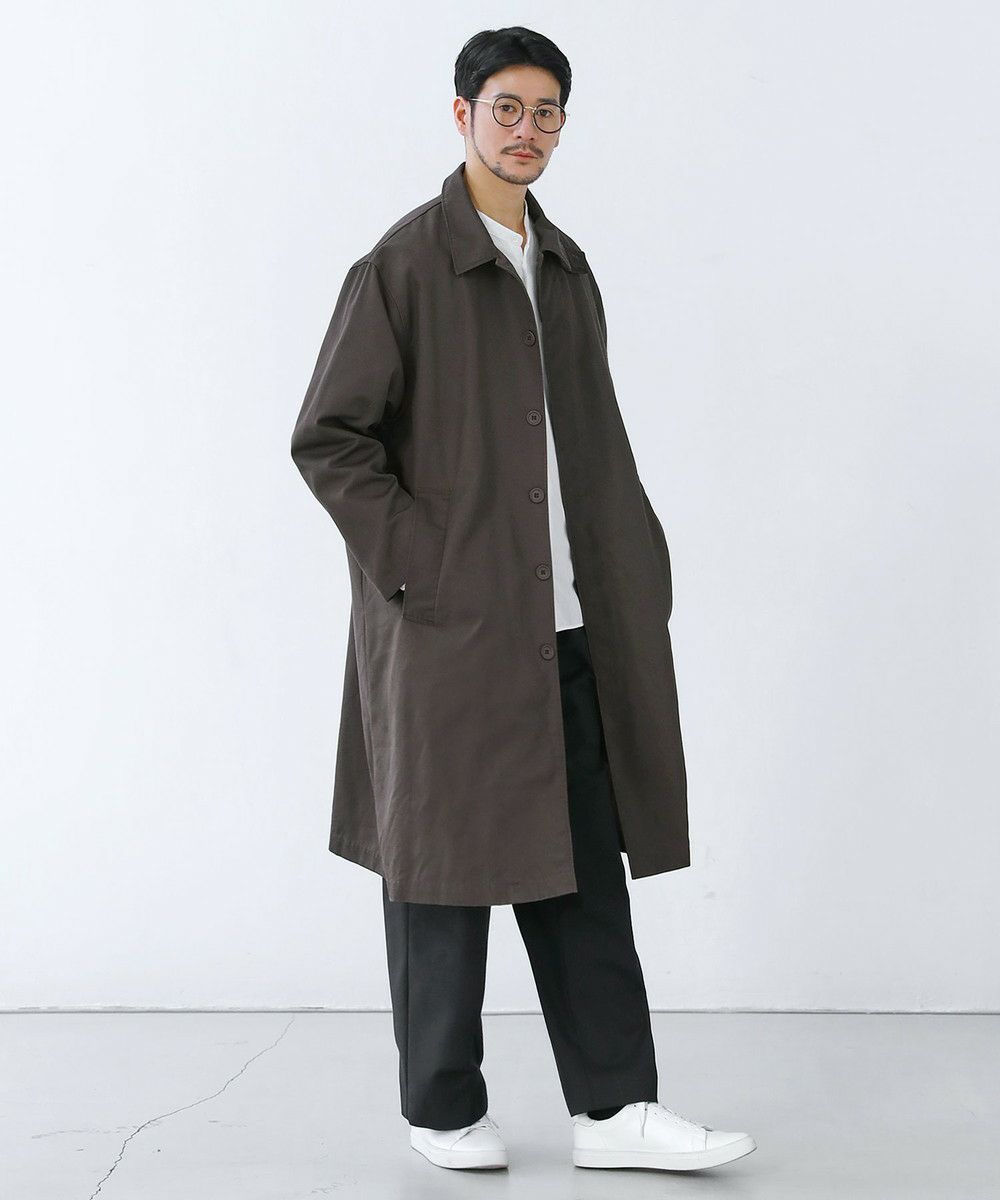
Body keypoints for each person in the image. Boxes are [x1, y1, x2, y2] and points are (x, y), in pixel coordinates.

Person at [290, 25, 756, 1173]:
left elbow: (584, 443)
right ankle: (441, 1107)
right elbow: (330, 440)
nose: (527, 130)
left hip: (570, 624)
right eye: (506, 106)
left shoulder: (566, 266)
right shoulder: (404, 267)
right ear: (462, 115)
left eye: (547, 111)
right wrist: (425, 567)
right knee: (439, 872)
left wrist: (631, 565)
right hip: (449, 632)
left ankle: (615, 1110)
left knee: (582, 871)